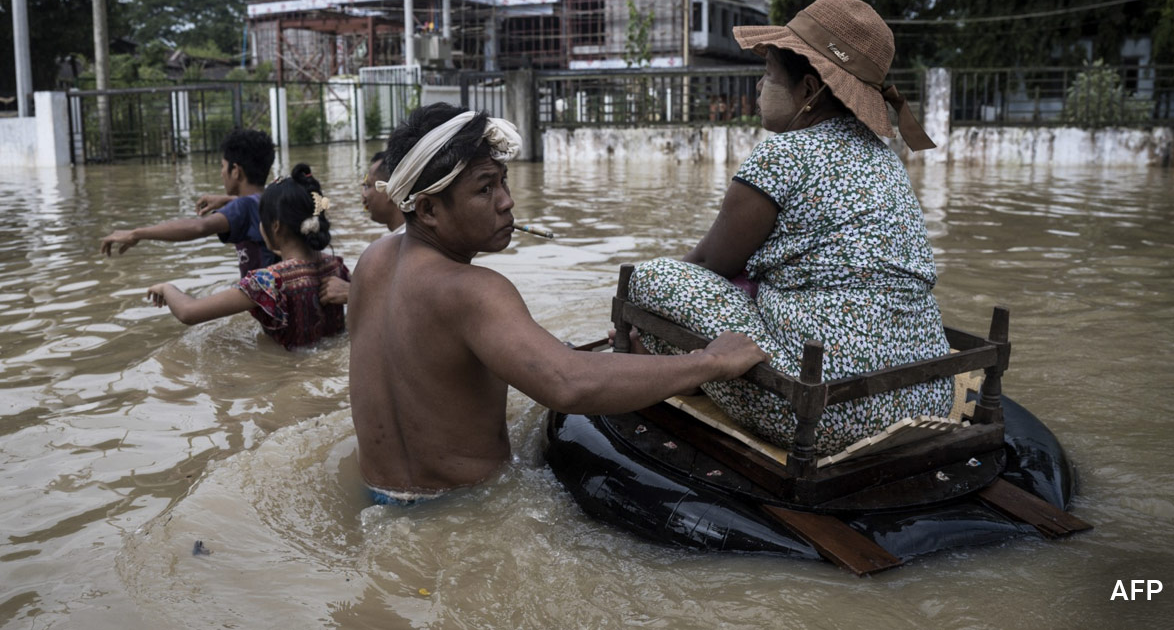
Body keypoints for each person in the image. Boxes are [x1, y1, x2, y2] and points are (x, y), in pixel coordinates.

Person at [348, 103, 767, 505]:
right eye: (485, 188)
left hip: (377, 496)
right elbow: (569, 384)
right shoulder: (473, 290)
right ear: (428, 209)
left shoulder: (371, 262)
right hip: (470, 509)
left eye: (503, 181)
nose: (506, 201)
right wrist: (711, 362)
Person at [625, 0, 951, 455]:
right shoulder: (885, 156)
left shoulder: (783, 154)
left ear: (810, 91)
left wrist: (645, 311)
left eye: (768, 76)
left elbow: (707, 263)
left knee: (653, 278)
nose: (759, 88)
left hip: (825, 413)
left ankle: (675, 367)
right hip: (926, 396)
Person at [146, 163, 351, 350]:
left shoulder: (268, 281)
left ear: (276, 226)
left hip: (286, 373)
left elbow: (188, 312)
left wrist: (167, 288)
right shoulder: (336, 267)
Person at [101, 129, 280, 278]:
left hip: (268, 307)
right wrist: (227, 200)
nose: (221, 173)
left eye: (222, 166)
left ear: (235, 171)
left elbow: (198, 227)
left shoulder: (243, 208)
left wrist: (136, 233)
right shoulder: (272, 198)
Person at [317, 151, 405, 306]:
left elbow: (413, 305)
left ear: (391, 190)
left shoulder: (407, 245)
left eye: (368, 185)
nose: (363, 195)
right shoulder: (399, 241)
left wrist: (352, 292)